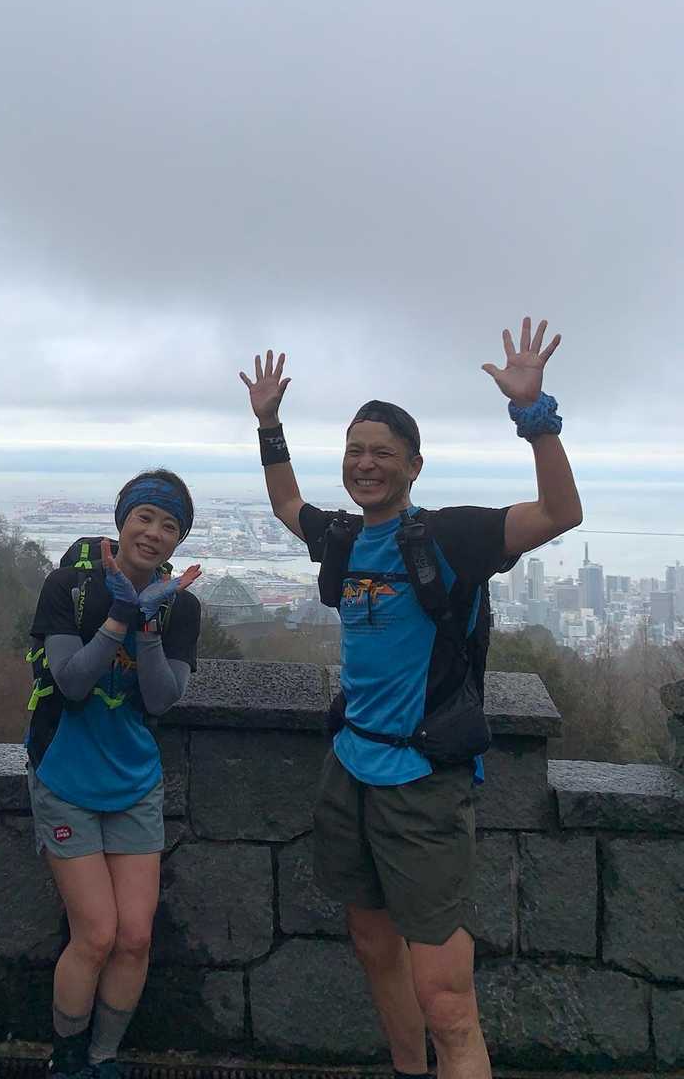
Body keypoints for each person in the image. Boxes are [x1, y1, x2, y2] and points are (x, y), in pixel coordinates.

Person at [240, 320, 582, 1079]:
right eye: (354, 451)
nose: (365, 464)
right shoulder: (340, 537)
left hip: (424, 783)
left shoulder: (449, 537)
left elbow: (560, 514)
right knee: (373, 946)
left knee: (447, 1000)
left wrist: (534, 415)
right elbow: (286, 500)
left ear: (414, 466)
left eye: (382, 453)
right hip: (350, 768)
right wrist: (268, 424)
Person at [25, 470, 202, 1079]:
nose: (154, 533)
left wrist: (148, 628)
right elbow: (72, 682)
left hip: (134, 782)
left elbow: (161, 699)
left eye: (169, 526)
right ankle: (68, 1058)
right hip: (65, 775)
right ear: (122, 521)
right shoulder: (68, 588)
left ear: (178, 540)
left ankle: (104, 1057)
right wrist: (119, 615)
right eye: (144, 518)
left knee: (134, 938)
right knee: (96, 934)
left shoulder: (182, 606)